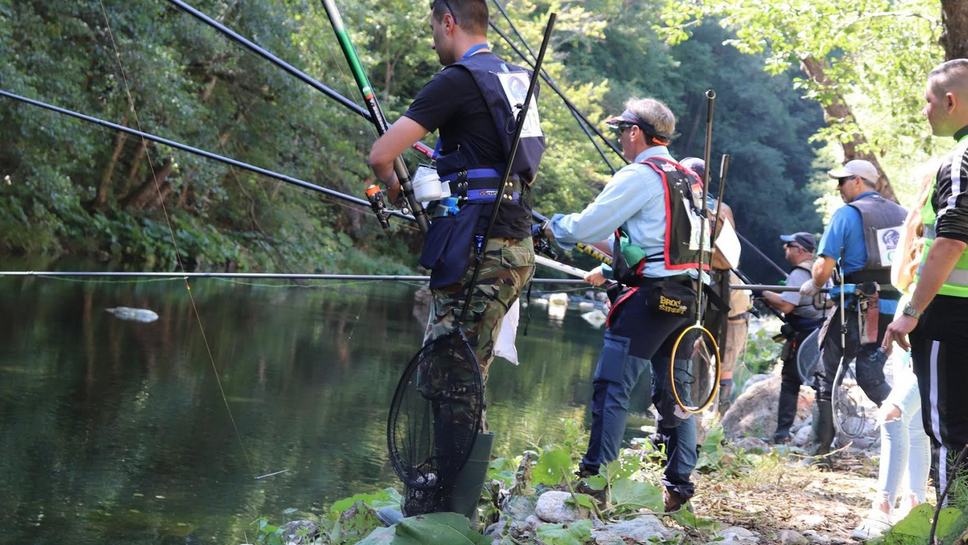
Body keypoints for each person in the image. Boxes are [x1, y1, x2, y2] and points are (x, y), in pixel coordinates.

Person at [368, 0, 544, 523]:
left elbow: (381, 154)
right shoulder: (514, 80)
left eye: (432, 27)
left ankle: (450, 511)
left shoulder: (456, 79)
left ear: (449, 21)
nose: (431, 39)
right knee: (464, 373)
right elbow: (508, 162)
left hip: (482, 251)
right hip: (515, 246)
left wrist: (398, 189)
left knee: (452, 375)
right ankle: (460, 500)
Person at [543, 97, 707, 512]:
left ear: (636, 132)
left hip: (649, 303)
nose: (618, 138)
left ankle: (596, 482)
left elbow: (588, 225)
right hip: (688, 300)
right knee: (677, 394)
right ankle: (679, 490)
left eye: (621, 130)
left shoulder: (639, 174)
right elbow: (663, 241)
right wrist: (619, 264)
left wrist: (552, 226)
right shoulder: (689, 177)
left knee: (611, 387)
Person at [883, 58, 968, 507]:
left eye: (929, 101)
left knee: (948, 429)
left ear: (951, 102)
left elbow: (951, 241)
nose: (925, 111)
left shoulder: (959, 161)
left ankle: (951, 524)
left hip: (951, 316)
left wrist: (911, 313)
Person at [799, 159, 907, 467]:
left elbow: (824, 265)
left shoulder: (847, 214)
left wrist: (814, 283)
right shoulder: (902, 214)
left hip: (854, 310)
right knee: (871, 375)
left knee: (825, 376)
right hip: (893, 309)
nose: (838, 186)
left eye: (843, 180)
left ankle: (819, 454)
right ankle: (912, 436)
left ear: (859, 181)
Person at [853, 167, 935, 540]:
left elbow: (903, 277)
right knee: (914, 427)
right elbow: (901, 278)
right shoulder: (923, 226)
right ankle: (914, 509)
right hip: (908, 325)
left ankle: (882, 509)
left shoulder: (948, 231)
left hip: (929, 326)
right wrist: (911, 227)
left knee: (892, 413)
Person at [680, 157, 744, 415]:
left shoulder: (679, 204)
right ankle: (714, 417)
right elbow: (730, 257)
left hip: (697, 287)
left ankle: (690, 410)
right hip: (721, 287)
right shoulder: (723, 208)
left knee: (691, 350)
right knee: (715, 355)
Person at [760, 232, 825, 443]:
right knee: (823, 382)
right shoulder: (820, 268)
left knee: (790, 382)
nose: (784, 249)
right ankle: (824, 434)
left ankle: (781, 434)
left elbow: (787, 305)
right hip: (823, 333)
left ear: (799, 250)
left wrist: (765, 294)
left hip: (804, 335)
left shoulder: (799, 273)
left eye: (788, 245)